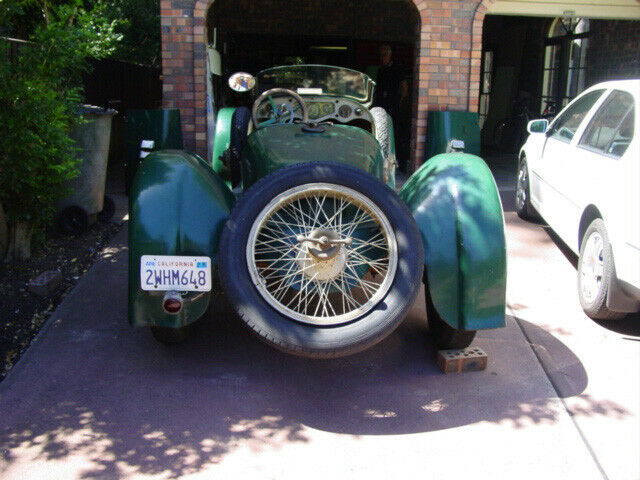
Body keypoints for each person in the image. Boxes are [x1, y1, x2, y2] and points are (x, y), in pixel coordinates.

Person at [374, 45, 410, 171]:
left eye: (385, 55)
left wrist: (400, 101)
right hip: (381, 106)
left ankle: (401, 163)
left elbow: (404, 87)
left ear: (390, 55)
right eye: (381, 55)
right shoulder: (381, 70)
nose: (382, 58)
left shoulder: (397, 69)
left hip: (394, 106)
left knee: (396, 133)